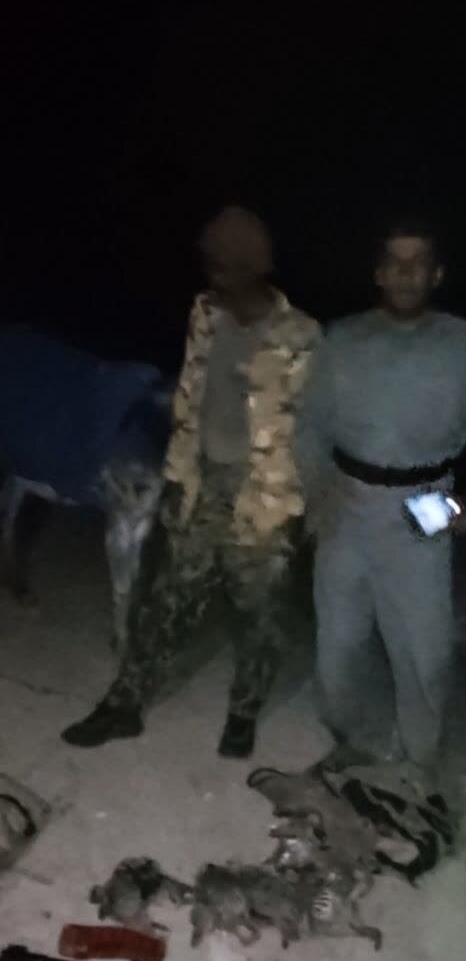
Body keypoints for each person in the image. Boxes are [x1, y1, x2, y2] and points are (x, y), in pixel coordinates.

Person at [62, 207, 319, 757]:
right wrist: (178, 476)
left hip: (265, 497)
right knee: (166, 601)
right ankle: (124, 704)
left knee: (259, 616)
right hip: (203, 484)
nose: (214, 271)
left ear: (256, 266)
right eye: (210, 260)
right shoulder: (205, 314)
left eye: (226, 263)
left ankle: (243, 713)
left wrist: (300, 508)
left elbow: (319, 426)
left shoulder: (301, 335)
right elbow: (188, 398)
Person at [296, 221, 466, 780]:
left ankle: (418, 761)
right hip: (347, 504)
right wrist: (317, 488)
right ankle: (346, 740)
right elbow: (310, 425)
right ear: (378, 273)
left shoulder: (463, 343)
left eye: (418, 262)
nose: (405, 273)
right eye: (395, 261)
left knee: (425, 651)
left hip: (425, 504)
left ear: (436, 274)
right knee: (337, 646)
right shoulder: (342, 338)